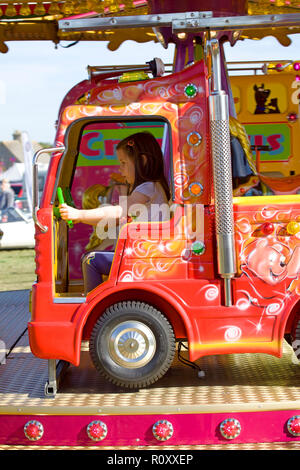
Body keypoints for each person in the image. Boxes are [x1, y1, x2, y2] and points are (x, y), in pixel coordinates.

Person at [59, 131, 171, 294]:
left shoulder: (147, 187)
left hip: (145, 257)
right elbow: (112, 218)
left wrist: (79, 214)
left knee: (91, 260)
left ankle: (95, 303)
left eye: (124, 163)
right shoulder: (153, 187)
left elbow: (118, 213)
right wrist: (81, 218)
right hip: (145, 253)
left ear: (142, 161)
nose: (120, 168)